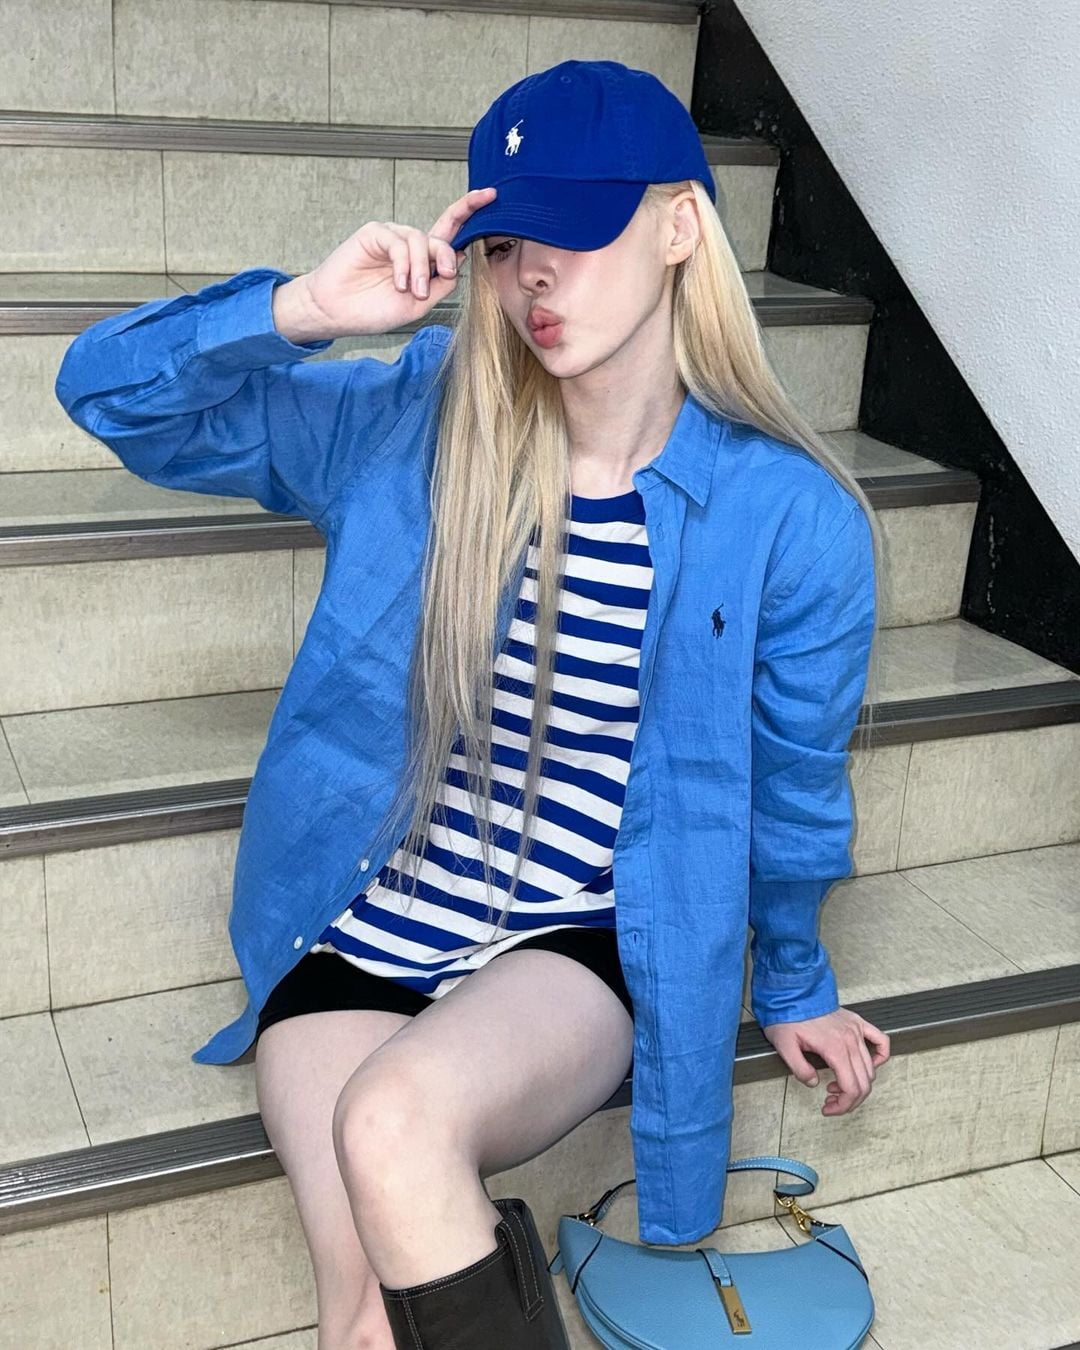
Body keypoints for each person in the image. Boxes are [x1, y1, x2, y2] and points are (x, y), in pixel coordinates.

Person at [56, 58, 891, 1350]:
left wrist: (791, 982)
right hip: (374, 913)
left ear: (681, 226)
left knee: (395, 1119)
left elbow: (793, 789)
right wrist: (302, 310)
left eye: (574, 232)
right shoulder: (416, 417)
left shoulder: (791, 518)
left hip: (574, 933)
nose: (531, 277)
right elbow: (110, 395)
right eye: (503, 245)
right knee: (360, 1321)